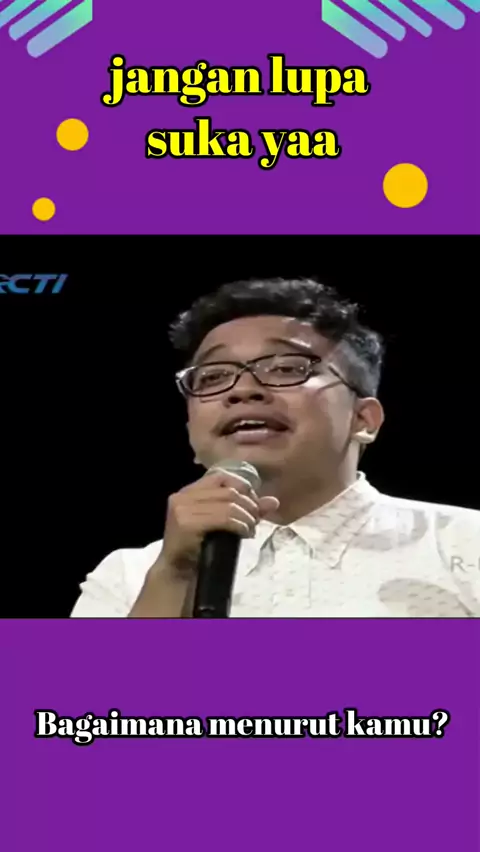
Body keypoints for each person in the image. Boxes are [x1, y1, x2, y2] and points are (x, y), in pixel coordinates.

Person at [70, 278, 480, 618]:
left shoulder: (464, 543)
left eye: (286, 368)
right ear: (192, 434)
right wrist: (174, 576)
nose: (242, 390)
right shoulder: (130, 575)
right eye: (213, 376)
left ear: (363, 419)